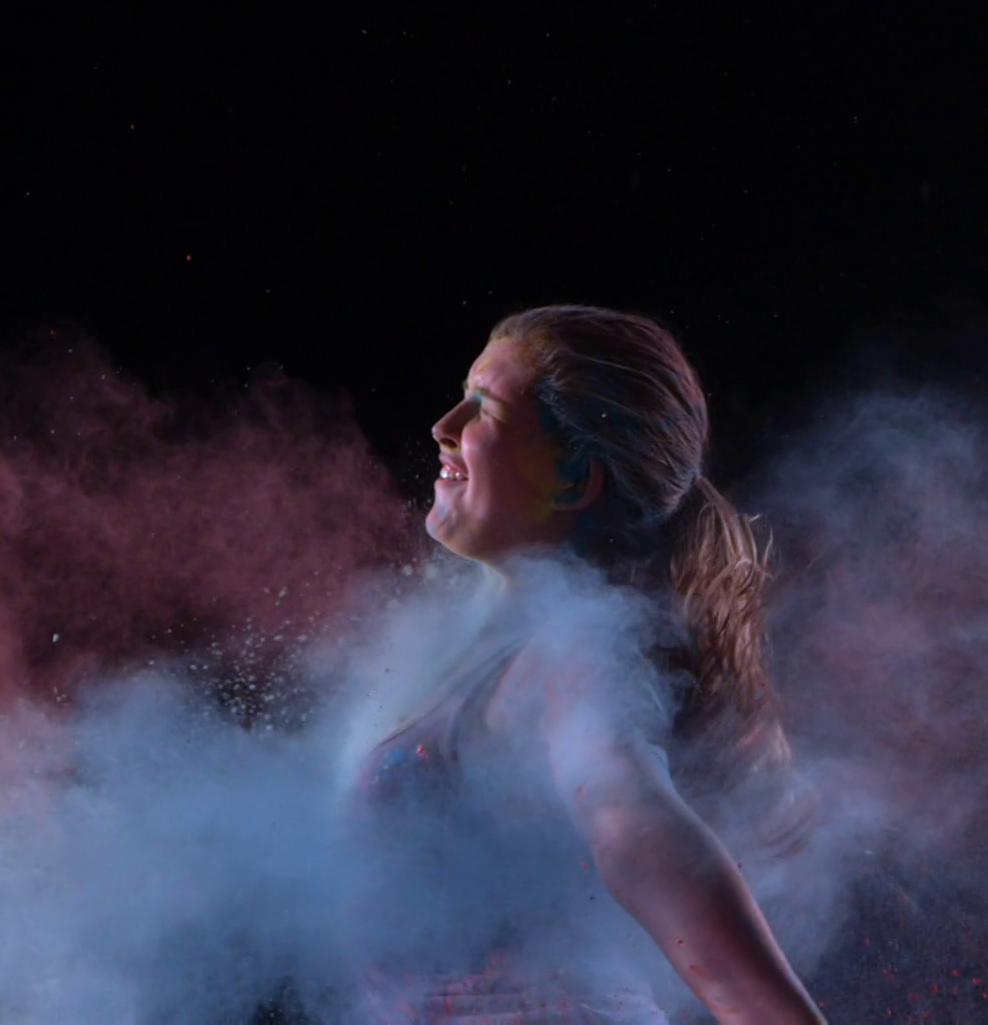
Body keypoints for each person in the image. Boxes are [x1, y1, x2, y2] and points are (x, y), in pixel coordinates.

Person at [348, 305, 824, 1024]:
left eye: (483, 408)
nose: (444, 425)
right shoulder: (492, 654)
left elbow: (632, 825)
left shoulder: (576, 657)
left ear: (575, 480)